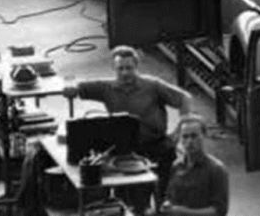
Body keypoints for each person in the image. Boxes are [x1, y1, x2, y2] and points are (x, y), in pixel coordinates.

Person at [64, 46, 194, 209]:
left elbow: (185, 99)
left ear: (136, 67)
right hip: (127, 149)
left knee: (167, 194)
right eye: (120, 69)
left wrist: (180, 131)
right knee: (130, 200)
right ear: (114, 68)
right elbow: (78, 87)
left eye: (129, 68)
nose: (125, 73)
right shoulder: (106, 88)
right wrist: (71, 88)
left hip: (156, 144)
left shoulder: (152, 86)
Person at [161, 115, 229, 216]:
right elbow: (170, 197)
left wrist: (183, 212)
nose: (189, 141)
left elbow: (219, 211)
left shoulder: (216, 169)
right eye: (185, 136)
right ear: (180, 139)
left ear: (204, 136)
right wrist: (167, 205)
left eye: (194, 136)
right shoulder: (176, 166)